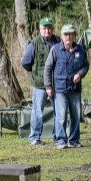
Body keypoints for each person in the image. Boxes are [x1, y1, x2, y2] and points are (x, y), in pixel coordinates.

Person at [44, 24, 89, 150]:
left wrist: (80, 74)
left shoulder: (80, 50)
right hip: (59, 88)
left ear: (75, 36)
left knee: (76, 115)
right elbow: (47, 68)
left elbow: (85, 66)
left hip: (75, 88)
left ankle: (74, 140)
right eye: (65, 34)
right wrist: (48, 86)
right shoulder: (55, 49)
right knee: (61, 115)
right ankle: (61, 140)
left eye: (71, 34)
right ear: (62, 36)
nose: (68, 37)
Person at [20, 17, 60, 145]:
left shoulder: (58, 41)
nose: (47, 30)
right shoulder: (34, 44)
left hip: (57, 83)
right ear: (40, 29)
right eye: (44, 28)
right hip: (39, 84)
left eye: (49, 28)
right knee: (37, 111)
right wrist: (36, 74)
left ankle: (58, 136)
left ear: (52, 29)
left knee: (59, 111)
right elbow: (25, 62)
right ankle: (34, 137)